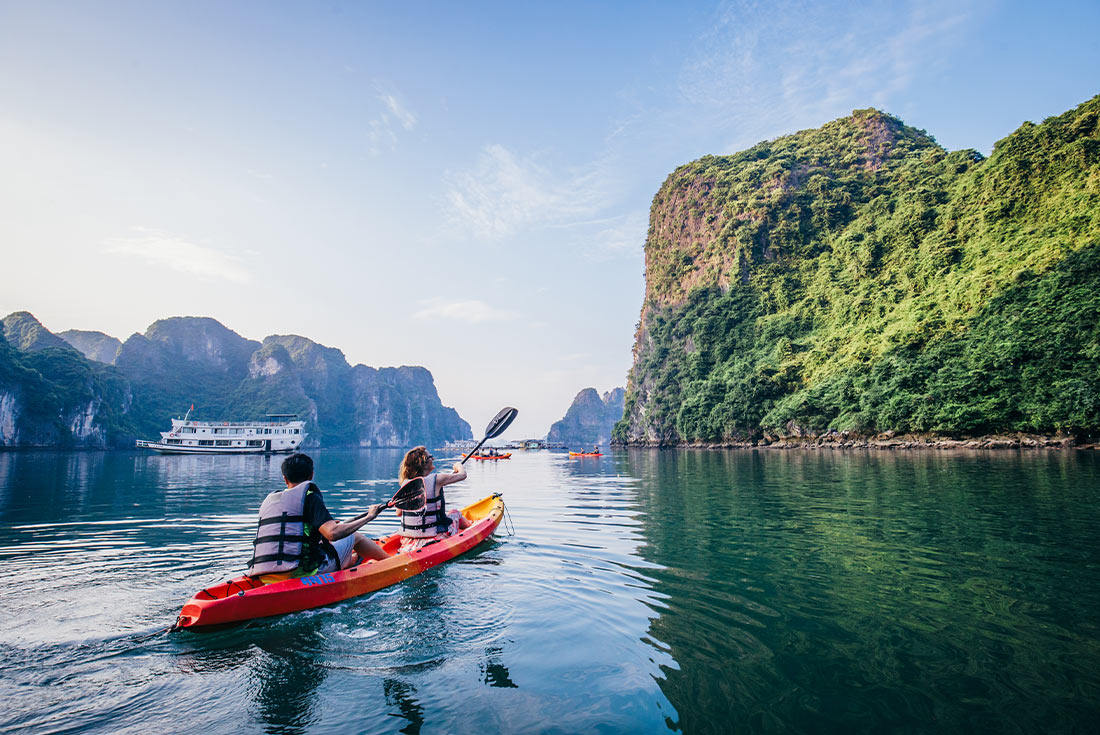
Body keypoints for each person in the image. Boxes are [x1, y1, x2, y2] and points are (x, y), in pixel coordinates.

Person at [247, 452, 388, 579]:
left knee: (336, 548)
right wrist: (370, 516)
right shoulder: (310, 497)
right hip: (302, 572)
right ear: (311, 476)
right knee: (354, 536)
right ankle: (391, 562)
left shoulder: (272, 501)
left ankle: (352, 560)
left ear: (285, 479)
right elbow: (332, 533)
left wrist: (321, 528)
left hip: (266, 574)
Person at [396, 446, 470, 549]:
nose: (433, 459)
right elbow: (463, 475)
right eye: (431, 457)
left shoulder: (405, 484)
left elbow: (398, 513)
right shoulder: (438, 479)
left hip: (408, 540)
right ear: (424, 463)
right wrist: (459, 465)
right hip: (434, 538)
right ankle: (471, 529)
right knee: (454, 512)